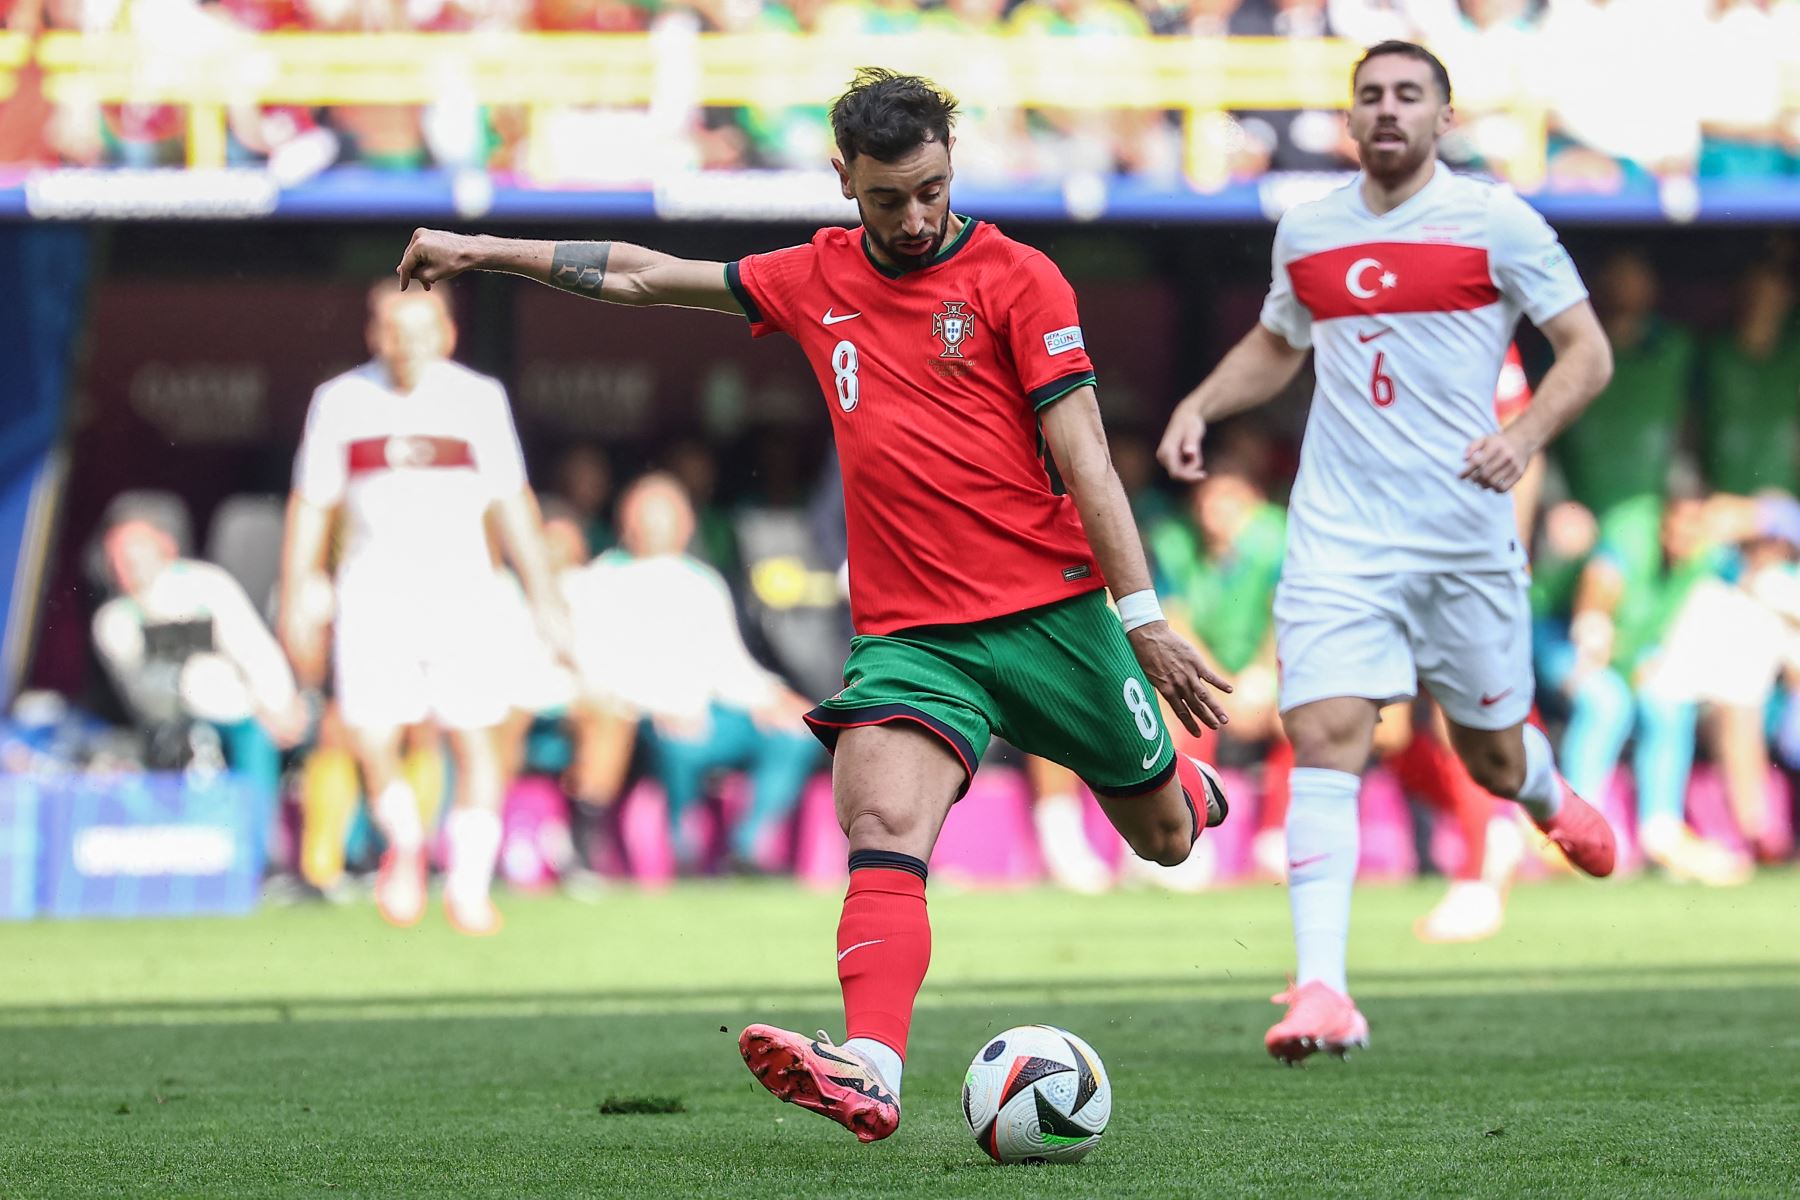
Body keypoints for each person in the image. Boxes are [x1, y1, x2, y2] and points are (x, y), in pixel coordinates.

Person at [396, 66, 1230, 1144]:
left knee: (1162, 841)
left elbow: (1088, 460)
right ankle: (870, 1067)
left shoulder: (1023, 281)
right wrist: (484, 252)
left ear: (950, 165)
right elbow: (650, 276)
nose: (917, 218)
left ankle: (1186, 788)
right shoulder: (815, 275)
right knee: (882, 823)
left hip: (1052, 614)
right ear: (844, 179)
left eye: (932, 190)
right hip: (913, 637)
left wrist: (1143, 616)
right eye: (888, 199)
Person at [1157, 41, 1617, 1064]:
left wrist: (1525, 435)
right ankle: (1324, 989)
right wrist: (1202, 399)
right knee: (1326, 734)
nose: (1389, 110)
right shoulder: (1310, 231)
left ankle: (1543, 790)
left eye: (1410, 95)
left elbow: (1587, 352)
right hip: (1339, 538)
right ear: (1349, 119)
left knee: (1488, 754)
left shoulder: (1497, 221)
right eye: (1371, 96)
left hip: (1460, 540)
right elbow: (1279, 344)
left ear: (1443, 118)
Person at [277, 280, 572, 937]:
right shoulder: (340, 400)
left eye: (419, 332)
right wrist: (297, 589)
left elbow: (513, 502)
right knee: (371, 735)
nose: (405, 346)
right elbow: (311, 503)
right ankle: (405, 845)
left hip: (464, 591)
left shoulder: (478, 399)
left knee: (476, 735)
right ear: (373, 333)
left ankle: (467, 884)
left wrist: (546, 595)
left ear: (446, 334)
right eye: (393, 331)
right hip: (371, 592)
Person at [567, 472, 822, 873]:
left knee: (800, 732)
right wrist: (664, 706)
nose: (657, 528)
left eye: (668, 518)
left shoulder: (703, 582)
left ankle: (748, 846)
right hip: (651, 720)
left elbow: (729, 665)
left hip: (714, 715)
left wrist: (774, 696)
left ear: (686, 524)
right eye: (647, 517)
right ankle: (682, 849)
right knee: (681, 746)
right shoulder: (600, 581)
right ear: (626, 522)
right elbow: (597, 668)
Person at [91, 497, 308, 858]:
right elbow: (150, 693)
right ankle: (230, 855)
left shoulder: (207, 585)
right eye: (118, 556)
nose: (128, 563)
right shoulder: (115, 619)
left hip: (248, 712)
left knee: (292, 732)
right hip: (175, 726)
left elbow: (253, 648)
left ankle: (277, 857)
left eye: (136, 551)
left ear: (166, 548)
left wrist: (279, 703)